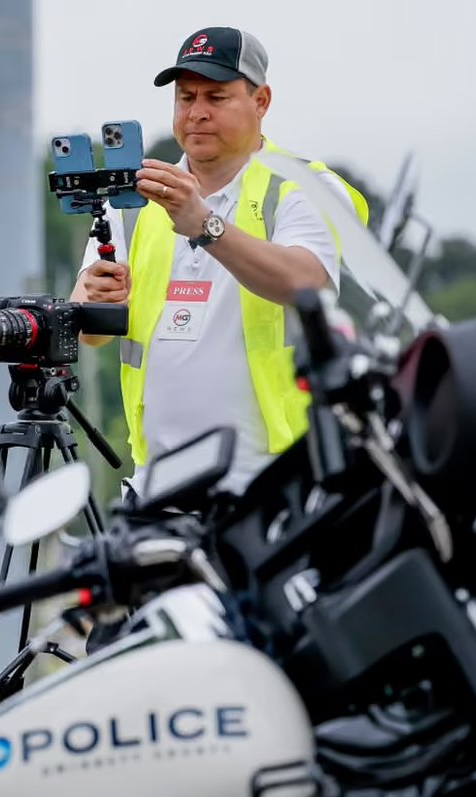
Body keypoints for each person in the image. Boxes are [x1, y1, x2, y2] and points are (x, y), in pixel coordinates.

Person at [71, 26, 370, 498]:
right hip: (158, 489)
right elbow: (88, 332)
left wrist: (204, 225)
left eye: (217, 96)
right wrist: (93, 296)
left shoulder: (304, 188)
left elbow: (305, 282)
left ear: (261, 101)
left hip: (277, 486)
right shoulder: (130, 203)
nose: (197, 113)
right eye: (186, 97)